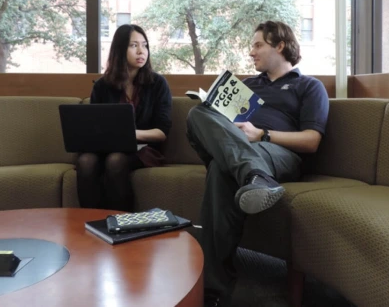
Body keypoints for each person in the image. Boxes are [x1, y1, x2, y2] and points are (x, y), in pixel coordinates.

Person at [186, 20, 329, 306]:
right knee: (196, 113)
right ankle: (254, 175)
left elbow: (311, 140)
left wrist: (262, 134)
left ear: (280, 45)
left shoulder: (309, 86)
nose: (251, 52)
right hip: (239, 150)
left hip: (278, 152)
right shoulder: (247, 87)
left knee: (219, 170)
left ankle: (213, 289)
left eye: (258, 45)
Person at [76, 24, 172, 212]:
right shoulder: (103, 86)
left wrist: (130, 134)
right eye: (133, 45)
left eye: (144, 45)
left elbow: (162, 132)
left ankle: (123, 222)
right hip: (106, 146)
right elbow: (94, 126)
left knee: (115, 160)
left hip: (143, 149)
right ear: (120, 49)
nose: (141, 51)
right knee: (86, 161)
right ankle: (90, 222)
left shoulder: (157, 83)